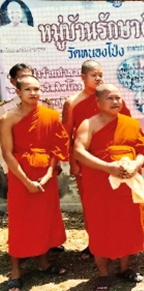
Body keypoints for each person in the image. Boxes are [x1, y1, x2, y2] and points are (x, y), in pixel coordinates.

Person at [74, 84, 144, 290]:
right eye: (110, 98)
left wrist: (136, 164)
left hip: (127, 186)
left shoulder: (131, 123)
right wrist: (108, 167)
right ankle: (103, 273)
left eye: (118, 98)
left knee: (127, 225)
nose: (116, 102)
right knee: (101, 227)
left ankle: (125, 268)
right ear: (98, 102)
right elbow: (79, 152)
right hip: (100, 187)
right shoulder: (88, 124)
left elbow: (142, 151)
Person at [0, 75, 69, 291]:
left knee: (44, 218)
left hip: (45, 176)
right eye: (28, 89)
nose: (34, 93)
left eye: (37, 89)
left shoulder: (50, 115)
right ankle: (16, 272)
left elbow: (56, 148)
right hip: (20, 177)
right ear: (18, 92)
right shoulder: (8, 118)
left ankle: (43, 262)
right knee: (20, 221)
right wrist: (26, 181)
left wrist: (48, 176)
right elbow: (8, 154)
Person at [62, 60, 131, 259]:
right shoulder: (73, 102)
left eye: (100, 74)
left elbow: (125, 126)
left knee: (116, 204)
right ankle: (95, 242)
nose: (99, 78)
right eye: (94, 75)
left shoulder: (112, 99)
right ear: (83, 77)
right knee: (92, 205)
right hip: (87, 162)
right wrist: (72, 163)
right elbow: (66, 135)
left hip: (113, 161)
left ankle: (119, 241)